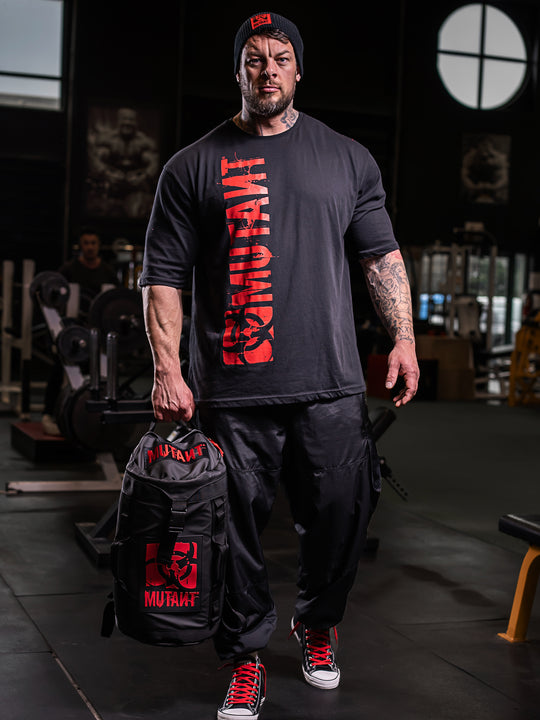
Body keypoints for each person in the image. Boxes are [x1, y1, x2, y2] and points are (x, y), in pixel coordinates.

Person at [139, 11, 419, 720]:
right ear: (238, 72)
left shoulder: (347, 158)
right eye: (255, 58)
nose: (268, 69)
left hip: (330, 383)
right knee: (230, 531)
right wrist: (168, 369)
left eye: (281, 57)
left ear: (299, 71)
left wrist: (405, 340)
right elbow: (162, 276)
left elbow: (380, 257)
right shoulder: (193, 165)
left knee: (340, 514)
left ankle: (318, 624)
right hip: (232, 389)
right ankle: (243, 657)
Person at [41, 228, 118, 436]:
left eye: (94, 243)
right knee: (61, 368)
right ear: (80, 246)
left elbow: (115, 302)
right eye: (86, 243)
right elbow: (53, 298)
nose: (90, 247)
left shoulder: (108, 272)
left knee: (100, 374)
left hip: (98, 331)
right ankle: (48, 414)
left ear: (98, 246)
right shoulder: (69, 269)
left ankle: (90, 420)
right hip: (72, 329)